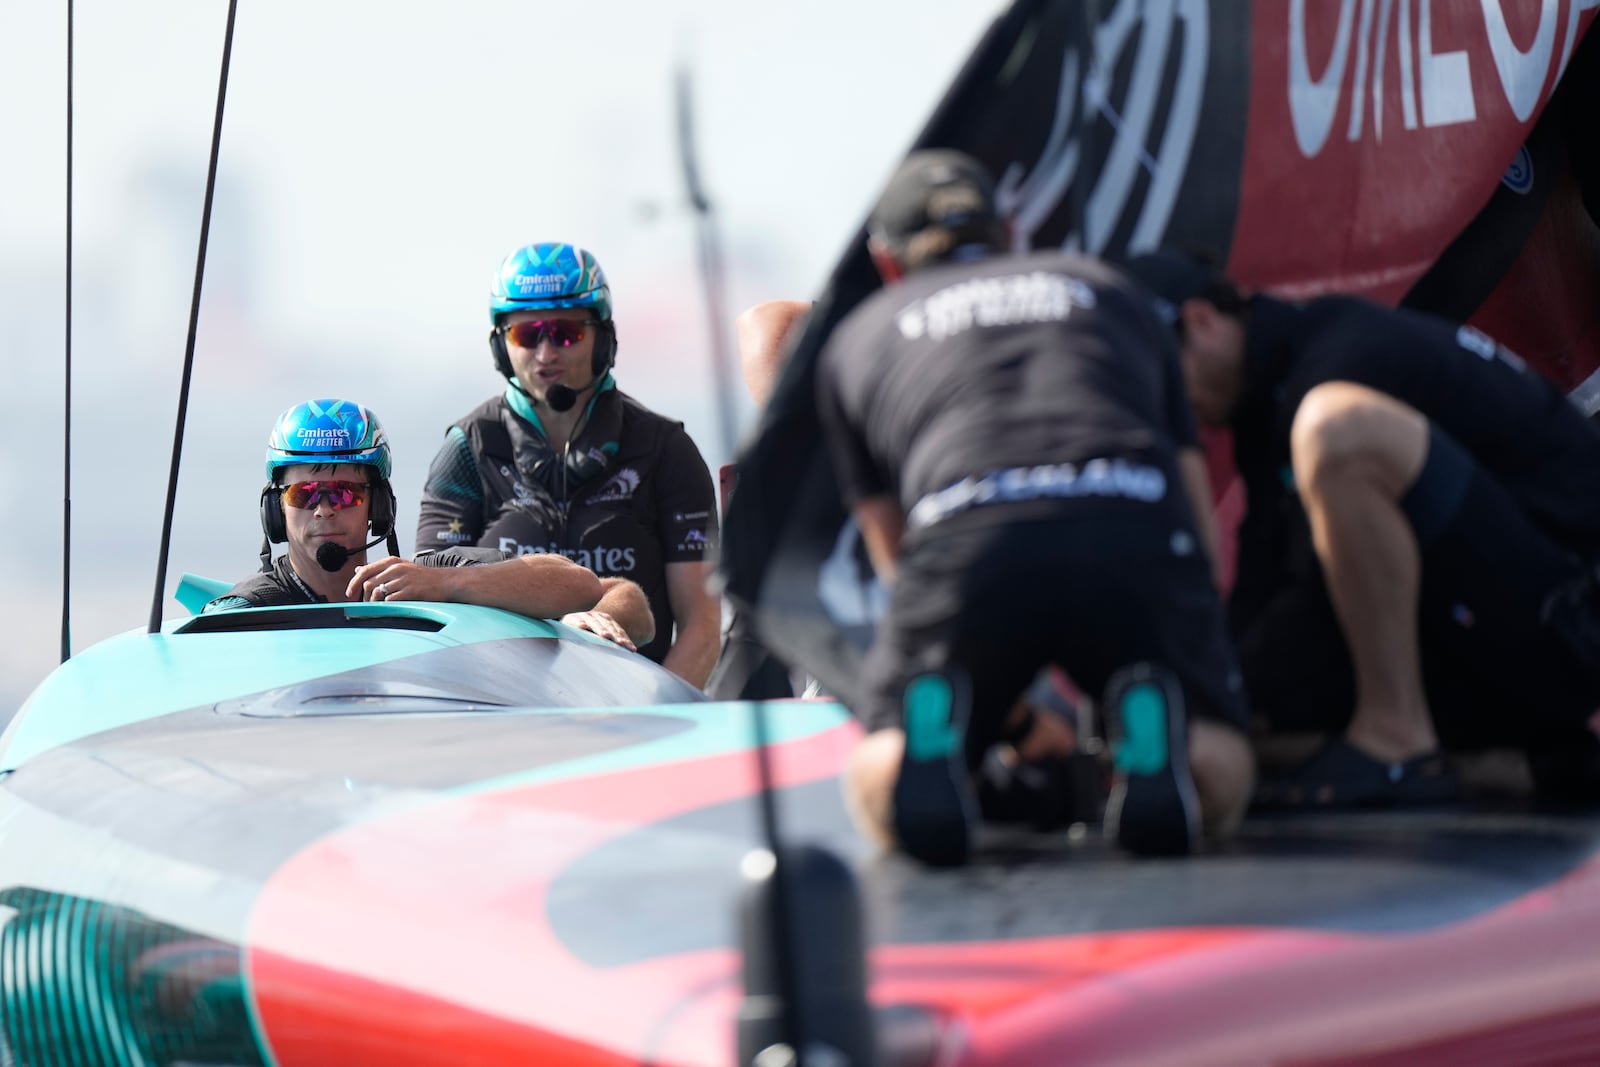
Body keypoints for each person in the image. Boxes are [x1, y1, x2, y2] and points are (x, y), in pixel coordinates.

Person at [814, 150, 1255, 865]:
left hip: (969, 538)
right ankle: (1165, 750)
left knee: (877, 782)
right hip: (1129, 523)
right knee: (1224, 770)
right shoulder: (1110, 290)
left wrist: (1005, 706)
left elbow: (894, 554)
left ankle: (915, 759)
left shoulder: (860, 335)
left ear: (887, 262)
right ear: (1010, 228)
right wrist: (1191, 642)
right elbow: (1192, 501)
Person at [1120, 248, 1600, 808]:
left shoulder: (1337, 359)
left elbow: (1312, 606)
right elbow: (1263, 598)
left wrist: (1230, 692)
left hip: (1569, 620)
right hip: (1499, 631)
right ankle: (1512, 765)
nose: (1159, 404)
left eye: (1154, 375)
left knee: (1339, 430)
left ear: (1201, 322)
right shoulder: (1266, 397)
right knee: (1243, 729)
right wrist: (1214, 702)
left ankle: (1398, 742)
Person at [416, 243, 721, 688]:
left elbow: (702, 627)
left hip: (637, 715)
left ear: (604, 338)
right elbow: (436, 601)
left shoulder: (667, 449)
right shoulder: (466, 450)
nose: (545, 354)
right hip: (510, 709)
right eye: (526, 335)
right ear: (501, 346)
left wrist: (658, 722)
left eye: (565, 333)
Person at [207, 398, 653, 651]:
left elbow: (579, 586)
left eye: (344, 493)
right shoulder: (246, 612)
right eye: (303, 495)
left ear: (377, 507)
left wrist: (447, 585)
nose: (324, 511)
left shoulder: (430, 577)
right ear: (276, 511)